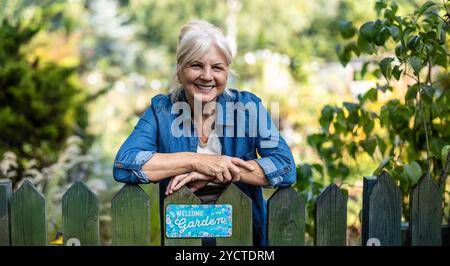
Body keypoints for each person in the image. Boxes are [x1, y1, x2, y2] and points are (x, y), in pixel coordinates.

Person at [113, 20, 296, 246]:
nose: (207, 76)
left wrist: (215, 170)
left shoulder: (248, 107)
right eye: (196, 65)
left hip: (243, 237)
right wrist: (197, 161)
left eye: (217, 67)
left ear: (227, 72)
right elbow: (125, 164)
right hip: (183, 239)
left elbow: (285, 167)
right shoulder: (162, 110)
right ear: (180, 70)